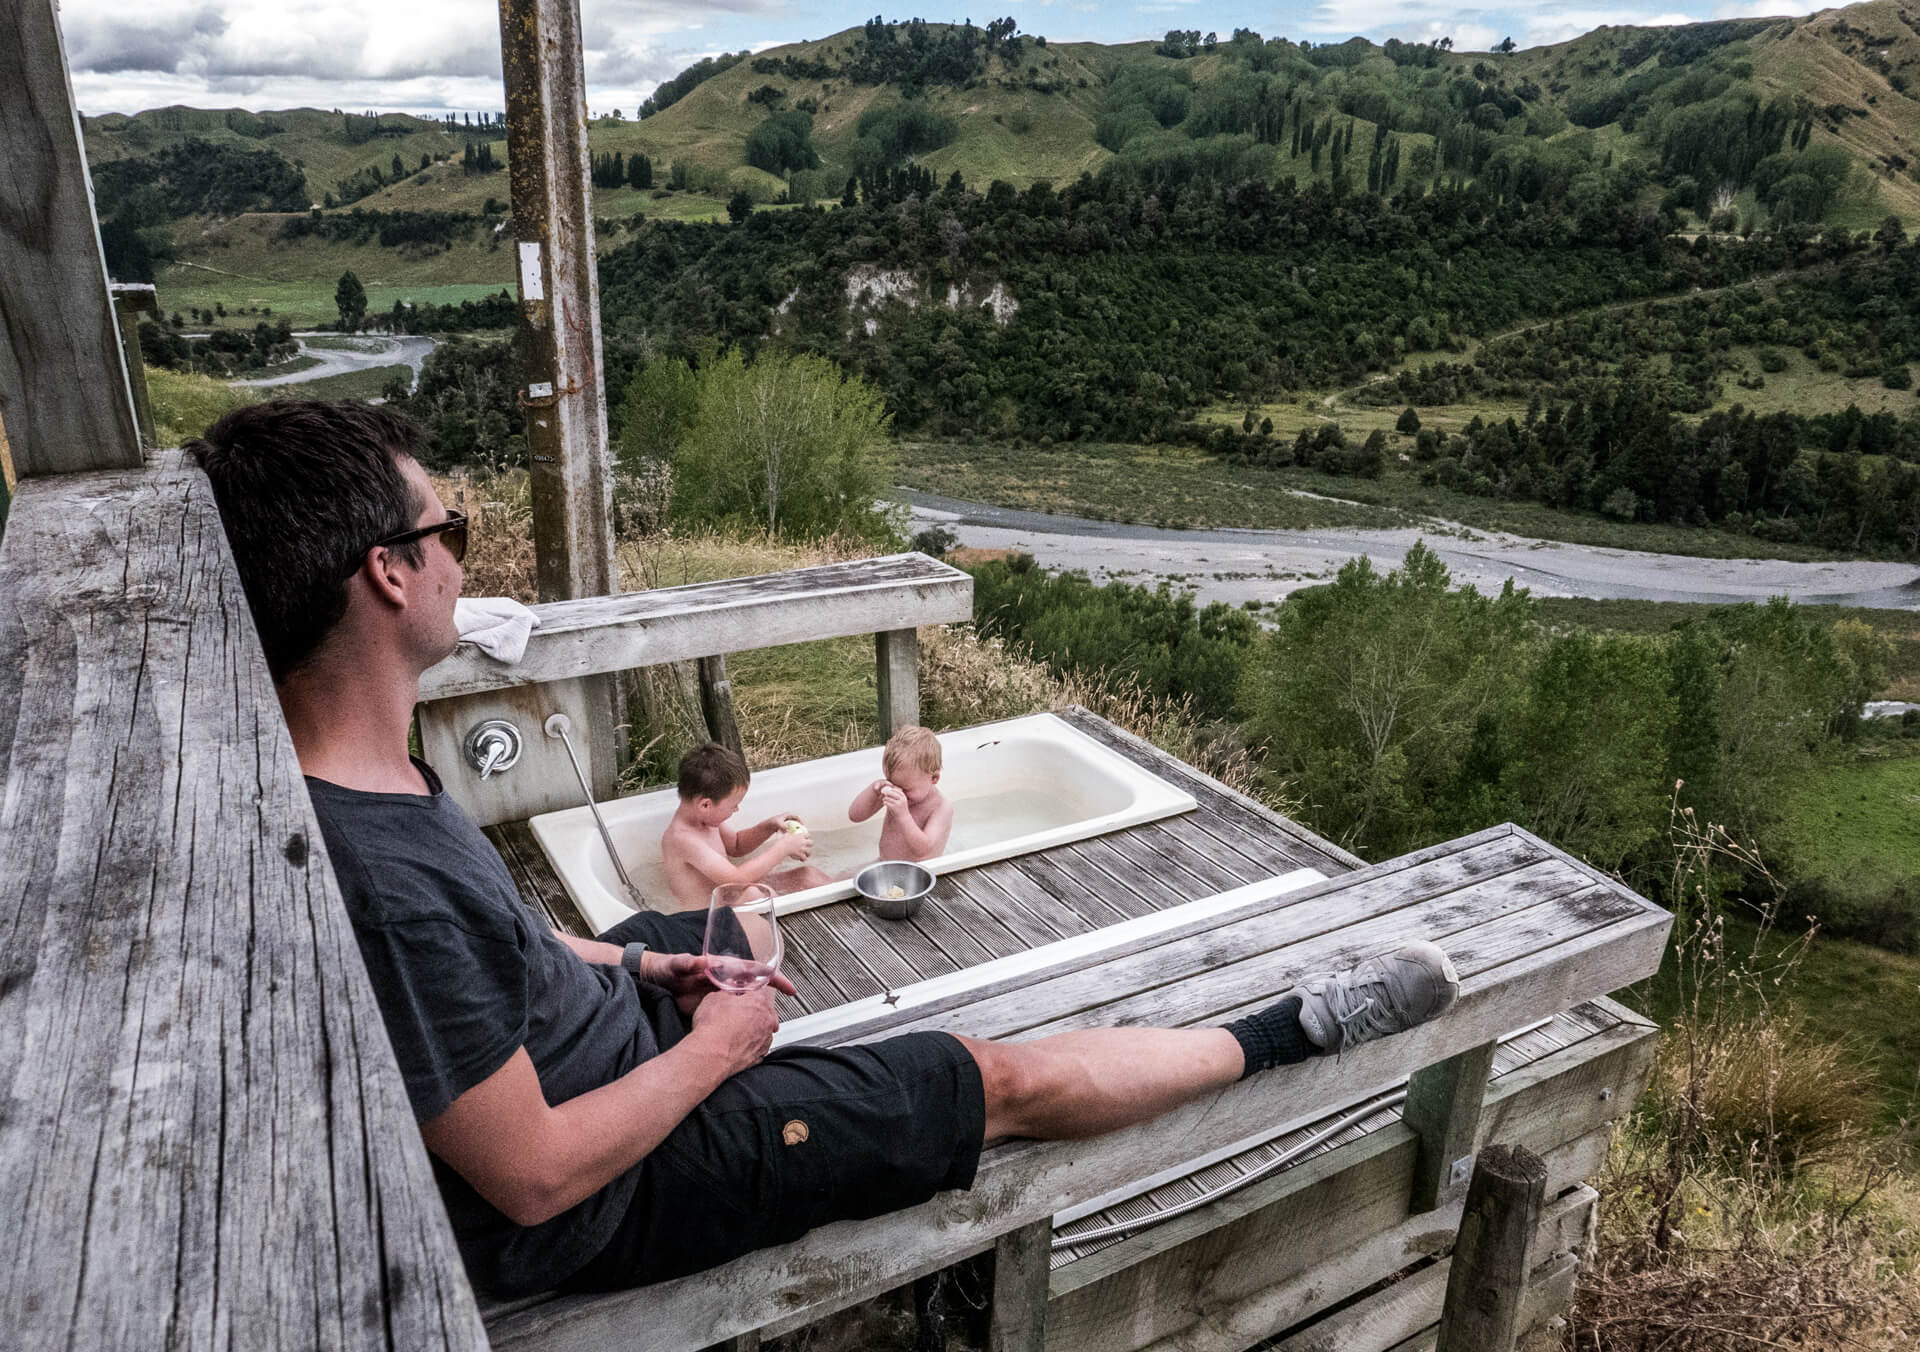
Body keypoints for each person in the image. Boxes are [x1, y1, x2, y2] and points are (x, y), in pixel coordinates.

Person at [190, 400, 1461, 1299]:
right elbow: (531, 1178)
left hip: (603, 1033)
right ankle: (1293, 1026)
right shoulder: (378, 876)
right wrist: (716, 1047)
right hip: (613, 1186)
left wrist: (641, 968)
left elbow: (502, 946)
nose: (462, 554)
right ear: (389, 572)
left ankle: (716, 1000)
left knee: (742, 926)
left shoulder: (364, 773)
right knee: (987, 1073)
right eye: (451, 528)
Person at [660, 742, 832, 910]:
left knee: (808, 876)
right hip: (708, 917)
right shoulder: (683, 839)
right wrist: (783, 848)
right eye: (733, 805)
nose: (737, 809)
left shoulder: (707, 819)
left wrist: (769, 826)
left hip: (732, 897)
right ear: (705, 805)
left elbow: (736, 845)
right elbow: (736, 880)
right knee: (756, 896)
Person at [848, 724, 954, 863]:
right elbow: (855, 816)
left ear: (934, 778)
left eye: (906, 789)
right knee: (835, 875)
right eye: (892, 783)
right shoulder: (898, 791)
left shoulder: (941, 807)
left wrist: (903, 816)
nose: (898, 791)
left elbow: (924, 850)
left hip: (919, 871)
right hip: (885, 863)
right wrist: (873, 791)